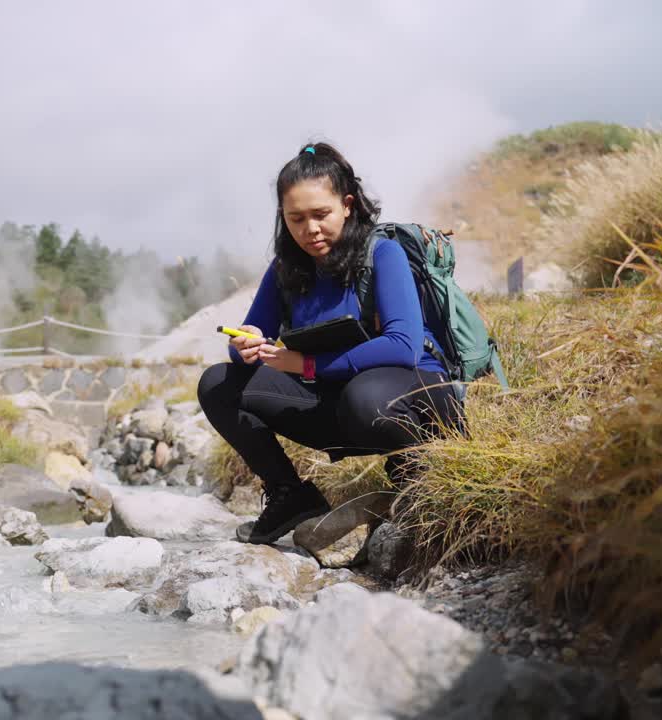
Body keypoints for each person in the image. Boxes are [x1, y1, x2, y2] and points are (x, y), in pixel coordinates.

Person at [197, 141, 465, 545]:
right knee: (217, 384)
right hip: (337, 403)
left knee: (365, 398)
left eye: (320, 214)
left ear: (347, 205)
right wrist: (245, 346)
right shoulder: (285, 270)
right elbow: (250, 340)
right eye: (296, 218)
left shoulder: (383, 253)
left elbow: (402, 345)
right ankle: (290, 496)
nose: (310, 229)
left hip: (414, 395)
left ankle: (417, 469)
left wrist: (306, 366)